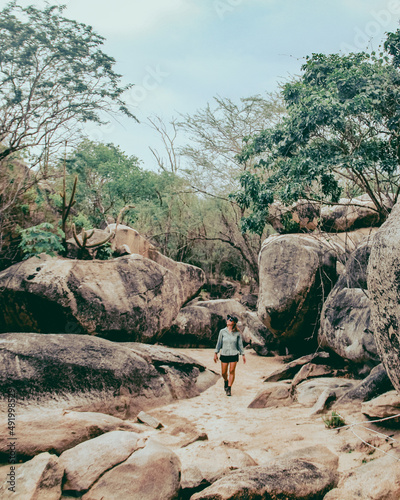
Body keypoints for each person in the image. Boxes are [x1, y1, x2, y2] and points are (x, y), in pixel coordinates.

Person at [214, 314, 246, 396]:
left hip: (234, 354)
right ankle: (226, 381)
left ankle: (229, 388)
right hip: (224, 354)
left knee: (232, 371)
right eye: (228, 319)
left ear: (234, 322)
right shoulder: (222, 331)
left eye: (230, 320)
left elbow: (240, 345)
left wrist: (243, 354)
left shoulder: (237, 333)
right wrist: (216, 353)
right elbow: (219, 343)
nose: (228, 320)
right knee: (224, 373)